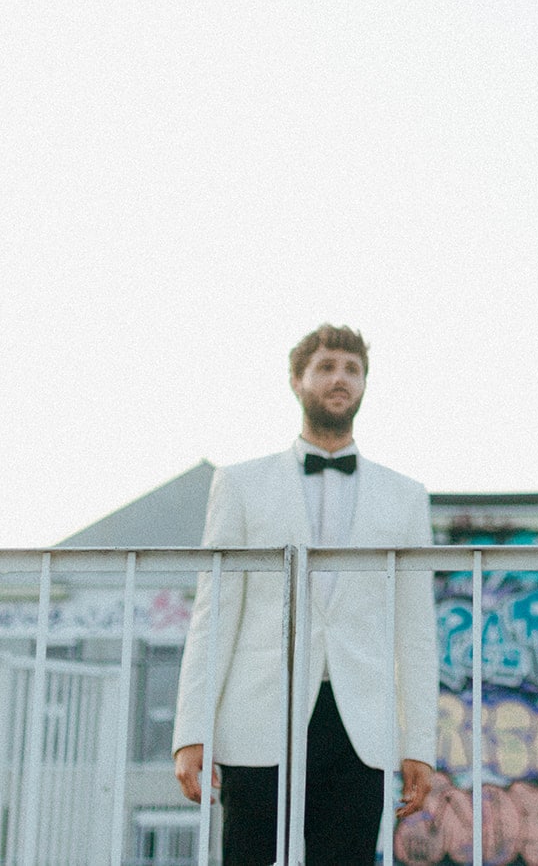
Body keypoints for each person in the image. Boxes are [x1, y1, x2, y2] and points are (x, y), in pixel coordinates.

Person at [172, 324, 438, 866]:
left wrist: (419, 745)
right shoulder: (240, 484)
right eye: (326, 367)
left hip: (358, 720)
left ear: (364, 385)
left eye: (352, 369)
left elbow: (415, 628)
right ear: (297, 381)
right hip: (258, 712)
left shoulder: (406, 497)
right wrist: (191, 730)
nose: (340, 379)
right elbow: (214, 611)